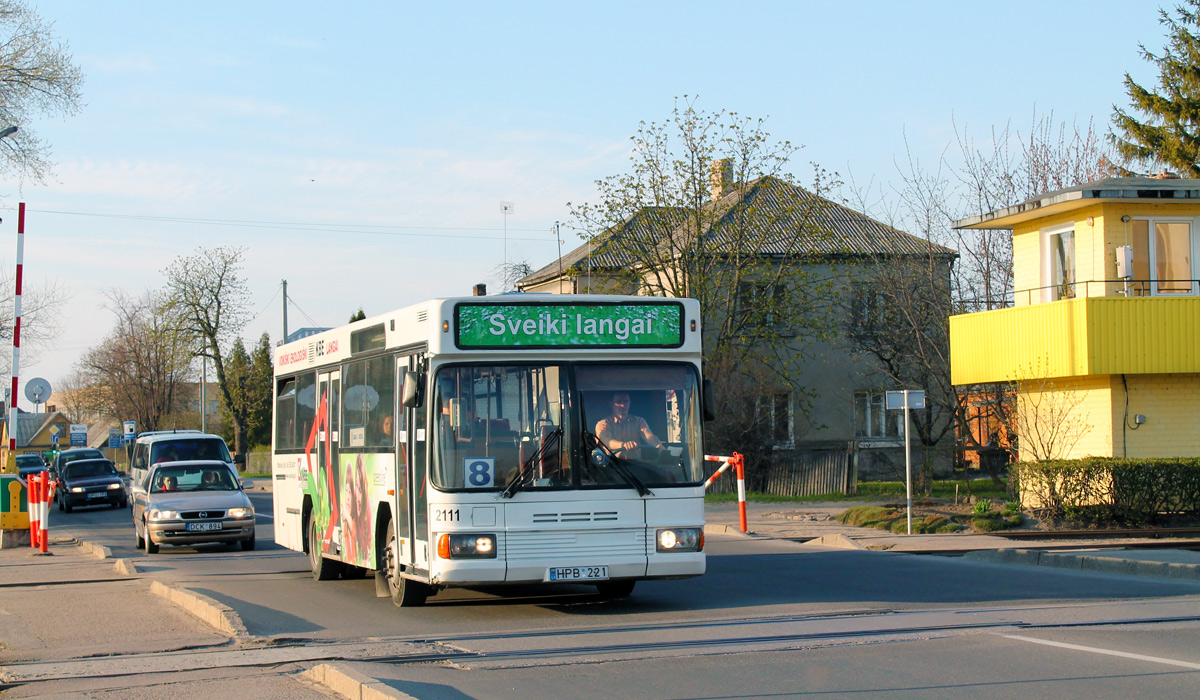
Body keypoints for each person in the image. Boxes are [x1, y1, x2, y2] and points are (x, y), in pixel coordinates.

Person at [594, 392, 663, 461]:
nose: (623, 405)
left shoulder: (638, 421)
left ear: (630, 404)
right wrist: (623, 445)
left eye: (626, 402)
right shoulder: (604, 423)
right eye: (619, 402)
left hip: (636, 465)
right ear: (611, 404)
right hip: (613, 465)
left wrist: (658, 445)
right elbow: (606, 441)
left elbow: (649, 436)